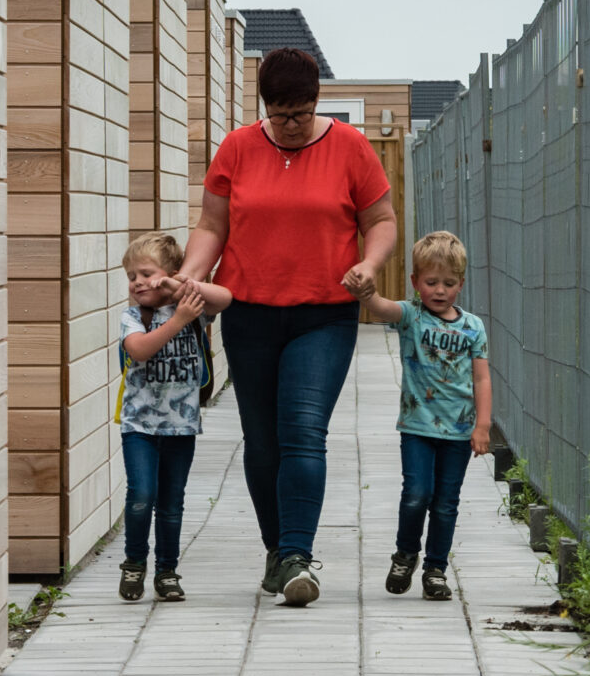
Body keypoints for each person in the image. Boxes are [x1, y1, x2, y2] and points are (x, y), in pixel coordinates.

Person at [179, 47, 398, 604]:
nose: (291, 125)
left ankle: (299, 556)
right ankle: (277, 552)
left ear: (316, 101)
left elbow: (380, 221)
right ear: (265, 107)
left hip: (324, 313)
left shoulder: (350, 148)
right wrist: (189, 279)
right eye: (280, 115)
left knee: (302, 429)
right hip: (249, 312)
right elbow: (212, 223)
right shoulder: (237, 147)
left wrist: (369, 266)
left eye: (300, 113)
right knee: (262, 442)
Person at [356, 231, 491, 601]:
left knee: (446, 502)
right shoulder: (411, 317)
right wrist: (365, 292)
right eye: (431, 282)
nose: (440, 290)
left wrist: (482, 425)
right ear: (415, 282)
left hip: (459, 432)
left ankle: (435, 569)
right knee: (417, 494)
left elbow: (481, 377)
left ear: (461, 284)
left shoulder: (472, 327)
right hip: (417, 428)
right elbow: (381, 307)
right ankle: (405, 553)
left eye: (449, 283)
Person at [115, 232, 229, 602]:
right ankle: (134, 563)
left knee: (171, 501)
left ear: (170, 273)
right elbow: (140, 350)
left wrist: (184, 285)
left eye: (146, 273)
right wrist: (179, 319)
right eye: (132, 276)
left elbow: (225, 298)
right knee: (141, 495)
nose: (137, 283)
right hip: (139, 426)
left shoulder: (193, 307)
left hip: (181, 427)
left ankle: (167, 571)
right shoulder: (135, 317)